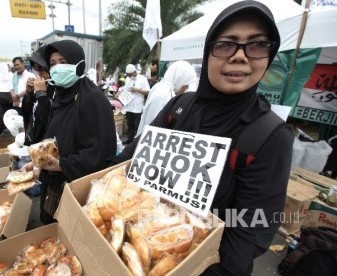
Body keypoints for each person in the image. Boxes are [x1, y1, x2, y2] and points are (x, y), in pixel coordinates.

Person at [110, 2, 294, 275]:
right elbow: (126, 162)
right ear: (208, 52)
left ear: (269, 56)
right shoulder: (179, 107)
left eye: (256, 45)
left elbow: (252, 228)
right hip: (131, 251)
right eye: (226, 44)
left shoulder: (269, 135)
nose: (240, 56)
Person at [22, 40, 116, 224]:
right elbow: (53, 136)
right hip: (54, 184)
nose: (57, 68)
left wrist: (62, 165)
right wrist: (39, 164)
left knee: (70, 236)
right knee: (50, 230)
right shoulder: (60, 93)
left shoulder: (94, 99)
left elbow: (101, 152)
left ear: (78, 64)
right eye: (52, 64)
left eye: (63, 61)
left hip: (78, 187)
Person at [135, 60, 197, 136]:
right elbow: (153, 130)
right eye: (186, 85)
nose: (186, 89)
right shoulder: (161, 96)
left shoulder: (166, 91)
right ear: (179, 80)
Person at [22, 45, 54, 146]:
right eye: (36, 69)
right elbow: (28, 113)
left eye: (41, 69)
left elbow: (48, 120)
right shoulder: (46, 85)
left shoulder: (58, 89)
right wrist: (29, 93)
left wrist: (41, 94)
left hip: (48, 144)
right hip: (36, 141)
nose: (38, 74)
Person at [119, 63, 150, 144]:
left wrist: (137, 90)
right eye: (128, 75)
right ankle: (129, 139)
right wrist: (120, 96)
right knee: (130, 125)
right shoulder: (128, 79)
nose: (129, 76)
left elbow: (147, 92)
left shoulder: (143, 79)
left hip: (138, 107)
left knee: (137, 125)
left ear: (134, 72)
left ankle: (135, 142)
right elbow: (125, 90)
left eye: (130, 74)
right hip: (129, 106)